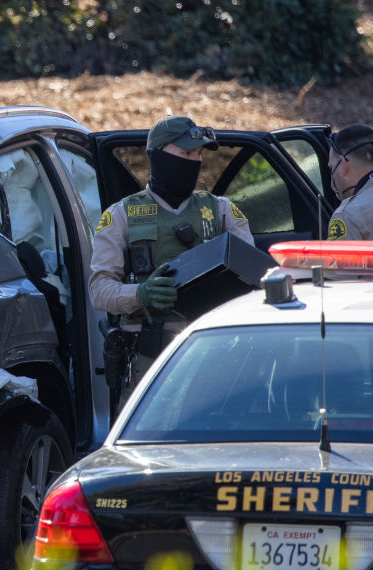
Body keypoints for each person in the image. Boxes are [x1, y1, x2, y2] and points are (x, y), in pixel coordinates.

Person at [88, 115, 254, 410]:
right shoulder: (121, 216)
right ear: (158, 156)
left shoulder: (221, 210)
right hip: (149, 355)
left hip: (213, 348)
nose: (195, 161)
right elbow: (99, 289)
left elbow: (253, 275)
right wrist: (140, 295)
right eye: (186, 153)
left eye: (198, 154)